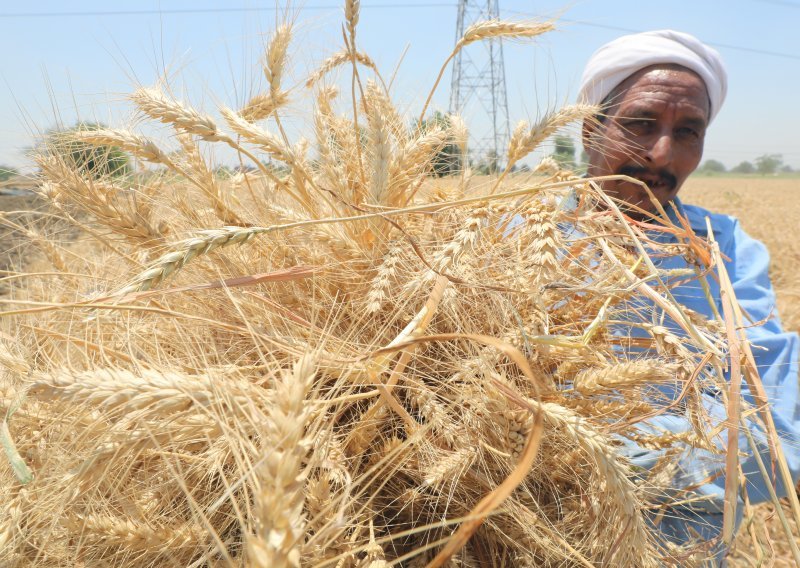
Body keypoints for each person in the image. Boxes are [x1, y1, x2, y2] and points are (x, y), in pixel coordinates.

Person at [577, 30, 800, 563]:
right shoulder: (504, 242)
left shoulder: (728, 254)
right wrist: (694, 443)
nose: (661, 154)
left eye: (688, 132)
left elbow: (779, 434)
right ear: (590, 129)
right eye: (640, 124)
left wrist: (577, 453)